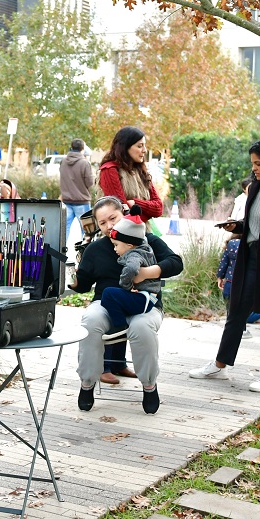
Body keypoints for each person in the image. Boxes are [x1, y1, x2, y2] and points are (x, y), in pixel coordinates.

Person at [188, 138, 260, 392]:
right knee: (237, 310)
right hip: (250, 257)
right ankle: (220, 364)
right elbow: (256, 224)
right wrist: (236, 227)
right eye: (253, 164)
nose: (255, 169)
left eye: (259, 163)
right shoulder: (257, 187)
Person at [71, 196, 183, 414]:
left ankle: (149, 385)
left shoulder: (146, 240)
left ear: (123, 212)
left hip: (145, 304)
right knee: (90, 321)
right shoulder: (95, 249)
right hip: (106, 303)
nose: (109, 226)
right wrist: (72, 280)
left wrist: (147, 273)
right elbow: (83, 285)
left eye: (113, 218)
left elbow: (176, 262)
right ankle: (87, 383)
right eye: (102, 223)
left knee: (141, 328)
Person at [95, 127, 164, 382]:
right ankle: (103, 367)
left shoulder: (142, 170)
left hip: (141, 241)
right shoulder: (110, 170)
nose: (144, 151)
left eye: (145, 146)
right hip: (118, 241)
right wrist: (133, 207)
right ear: (125, 146)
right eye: (139, 146)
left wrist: (137, 204)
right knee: (113, 293)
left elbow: (158, 207)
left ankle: (118, 362)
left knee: (130, 298)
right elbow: (118, 208)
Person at [99, 207, 162, 343]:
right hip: (149, 297)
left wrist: (125, 285)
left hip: (144, 298)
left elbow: (132, 268)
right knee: (113, 296)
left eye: (116, 245)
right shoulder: (143, 247)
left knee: (108, 294)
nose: (114, 249)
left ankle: (120, 327)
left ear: (128, 245)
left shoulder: (134, 254)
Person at [60, 138, 93, 241]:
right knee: (87, 231)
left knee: (64, 230)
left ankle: (61, 253)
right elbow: (90, 183)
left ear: (72, 147)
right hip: (82, 201)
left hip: (66, 200)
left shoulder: (63, 161)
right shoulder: (85, 163)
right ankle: (85, 253)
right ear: (82, 149)